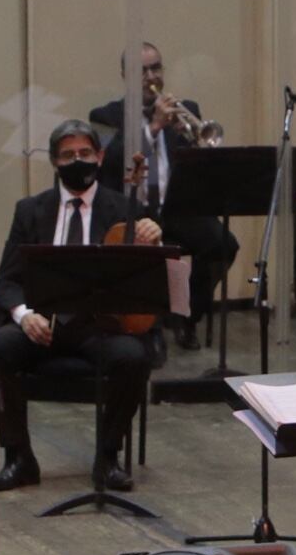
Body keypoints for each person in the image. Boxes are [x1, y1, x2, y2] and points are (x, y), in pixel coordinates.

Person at [0, 120, 163, 493]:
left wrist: (154, 234)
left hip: (97, 326)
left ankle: (108, 457)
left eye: (85, 153)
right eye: (68, 155)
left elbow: (152, 275)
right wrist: (24, 316)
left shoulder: (122, 207)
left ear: (99, 157)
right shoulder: (30, 210)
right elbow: (5, 282)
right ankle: (20, 458)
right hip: (43, 323)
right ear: (54, 162)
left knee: (132, 357)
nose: (77, 160)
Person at [91, 41, 238, 349]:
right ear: (124, 75)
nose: (150, 76)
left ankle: (187, 315)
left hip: (176, 209)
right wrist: (153, 128)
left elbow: (204, 167)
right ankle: (149, 327)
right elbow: (109, 162)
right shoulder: (104, 116)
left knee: (222, 244)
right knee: (141, 251)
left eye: (155, 68)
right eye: (140, 70)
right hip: (133, 209)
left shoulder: (188, 111)